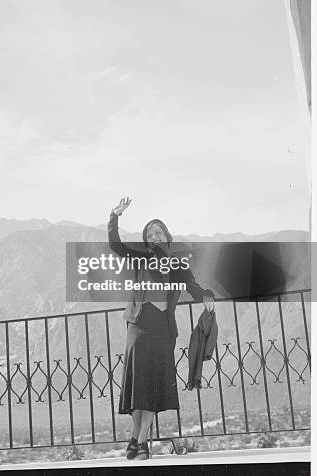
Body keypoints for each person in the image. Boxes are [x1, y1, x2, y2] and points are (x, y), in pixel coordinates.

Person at [108, 196, 215, 460]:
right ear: (146, 240)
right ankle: (139, 441)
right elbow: (115, 245)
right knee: (138, 387)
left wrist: (207, 295)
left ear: (167, 236)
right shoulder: (141, 256)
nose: (154, 236)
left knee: (152, 387)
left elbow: (192, 286)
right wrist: (114, 216)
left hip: (163, 329)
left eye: (158, 232)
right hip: (140, 326)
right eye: (150, 233)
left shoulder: (178, 263)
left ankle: (138, 442)